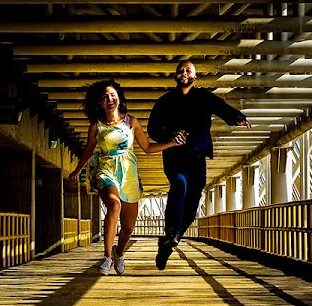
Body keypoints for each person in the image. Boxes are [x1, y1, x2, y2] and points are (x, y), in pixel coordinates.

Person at [69, 79, 187, 275]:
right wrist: (78, 169)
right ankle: (107, 257)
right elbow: (89, 150)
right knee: (114, 204)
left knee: (128, 228)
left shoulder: (132, 122)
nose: (109, 99)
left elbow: (148, 148)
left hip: (129, 175)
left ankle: (119, 253)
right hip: (107, 170)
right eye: (105, 97)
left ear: (119, 98)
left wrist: (172, 143)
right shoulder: (96, 126)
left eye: (112, 95)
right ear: (100, 102)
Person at [148, 59, 251, 270]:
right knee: (179, 185)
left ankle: (168, 244)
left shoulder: (204, 97)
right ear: (176, 76)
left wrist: (237, 117)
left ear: (195, 77)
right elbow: (152, 130)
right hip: (174, 155)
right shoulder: (165, 101)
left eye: (188, 70)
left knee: (192, 205)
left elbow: (221, 108)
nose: (184, 73)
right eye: (180, 71)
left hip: (197, 157)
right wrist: (171, 135)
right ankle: (171, 233)